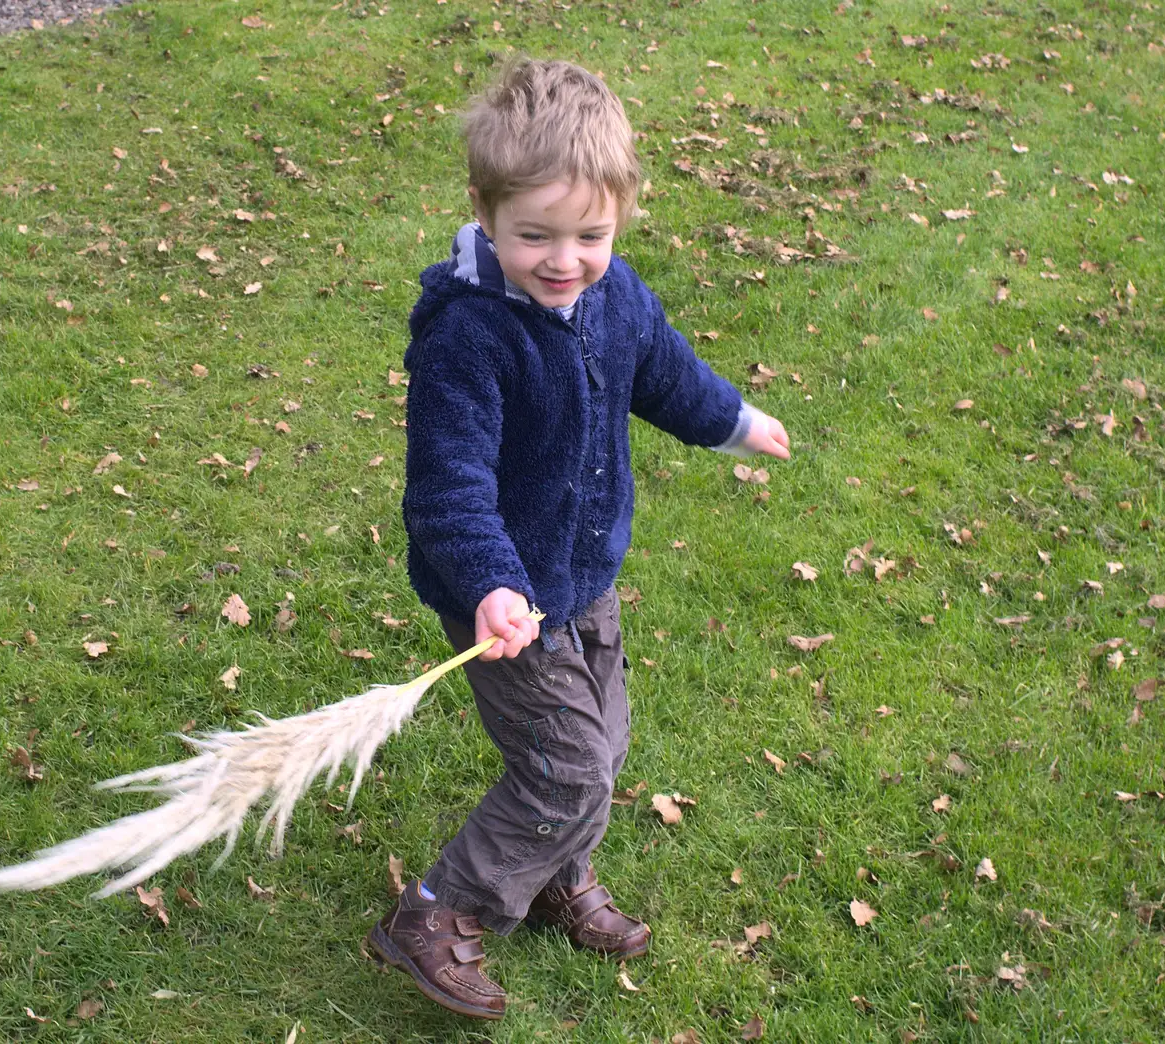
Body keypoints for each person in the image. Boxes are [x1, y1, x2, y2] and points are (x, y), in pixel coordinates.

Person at [367, 56, 790, 1020]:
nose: (565, 261)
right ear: (484, 212)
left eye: (590, 235)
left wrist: (731, 421)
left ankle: (554, 872)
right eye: (535, 237)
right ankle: (435, 912)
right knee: (565, 764)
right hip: (505, 602)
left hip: (583, 572)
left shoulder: (615, 295)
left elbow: (664, 374)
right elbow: (451, 485)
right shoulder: (466, 337)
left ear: (621, 216)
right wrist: (488, 583)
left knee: (605, 740)